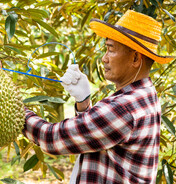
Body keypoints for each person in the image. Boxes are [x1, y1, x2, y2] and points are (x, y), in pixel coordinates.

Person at [22, 10, 175, 183]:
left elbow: (51, 139)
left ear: (135, 58)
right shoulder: (145, 94)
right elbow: (96, 138)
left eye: (111, 50)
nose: (104, 59)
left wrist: (15, 109)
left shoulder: (124, 107)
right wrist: (84, 103)